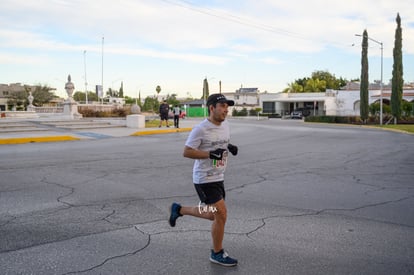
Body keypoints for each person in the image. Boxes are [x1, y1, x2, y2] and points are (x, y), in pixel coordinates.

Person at [169, 93, 239, 267]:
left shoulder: (226, 125)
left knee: (212, 215)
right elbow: (187, 151)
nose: (225, 110)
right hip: (205, 178)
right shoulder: (200, 129)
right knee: (222, 214)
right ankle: (217, 253)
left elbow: (219, 142)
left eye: (227, 106)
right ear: (211, 108)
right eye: (222, 106)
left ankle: (180, 210)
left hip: (219, 175)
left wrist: (229, 147)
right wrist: (209, 154)